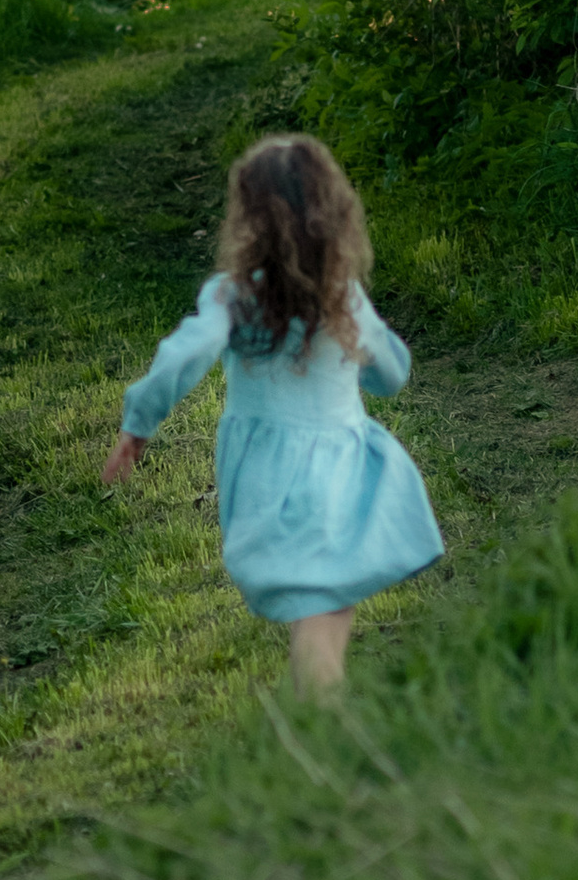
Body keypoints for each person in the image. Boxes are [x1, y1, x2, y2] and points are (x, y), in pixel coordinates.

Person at [102, 132, 443, 695]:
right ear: (335, 213)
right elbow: (392, 375)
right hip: (341, 469)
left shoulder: (234, 295)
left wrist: (138, 423)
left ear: (249, 219)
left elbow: (185, 354)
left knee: (323, 611)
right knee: (324, 610)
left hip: (269, 474)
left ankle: (319, 730)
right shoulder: (344, 295)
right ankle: (323, 731)